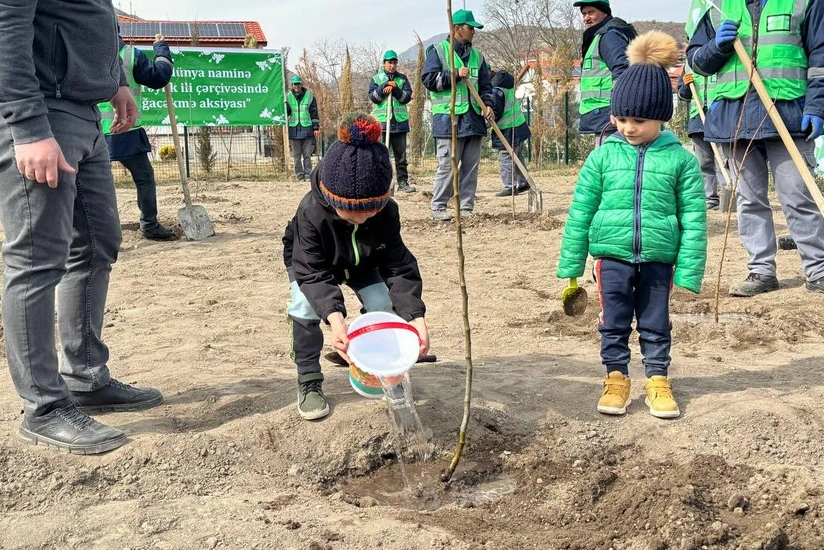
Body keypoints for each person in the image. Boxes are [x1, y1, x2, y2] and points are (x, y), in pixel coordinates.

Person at [0, 0, 164, 454]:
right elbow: (6, 23)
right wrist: (28, 126)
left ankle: (86, 377)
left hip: (84, 114)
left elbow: (97, 20)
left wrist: (119, 84)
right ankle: (44, 408)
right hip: (42, 115)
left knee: (97, 244)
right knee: (35, 259)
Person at [557, 32, 707, 419]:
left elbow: (694, 217)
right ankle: (617, 376)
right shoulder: (602, 159)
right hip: (611, 256)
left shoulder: (682, 161)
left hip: (659, 257)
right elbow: (580, 212)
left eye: (638, 120)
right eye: (620, 118)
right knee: (614, 320)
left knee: (656, 321)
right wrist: (572, 263)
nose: (628, 127)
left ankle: (657, 379)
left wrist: (689, 268)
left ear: (661, 116)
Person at [282, 112, 430, 420]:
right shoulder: (311, 213)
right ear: (330, 196)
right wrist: (336, 321)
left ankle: (371, 362)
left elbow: (398, 265)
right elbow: (312, 274)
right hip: (314, 266)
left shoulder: (387, 212)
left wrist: (415, 318)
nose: (362, 219)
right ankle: (308, 379)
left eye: (370, 212)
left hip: (363, 262)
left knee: (382, 301)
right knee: (305, 307)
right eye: (351, 213)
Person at [687, 0, 824, 296]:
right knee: (749, 199)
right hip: (734, 119)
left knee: (798, 195)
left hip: (789, 115)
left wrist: (817, 105)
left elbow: (820, 55)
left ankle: (819, 269)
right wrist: (715, 46)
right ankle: (761, 271)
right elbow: (695, 62)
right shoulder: (717, 7)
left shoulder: (804, 2)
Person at [421, 9, 495, 221]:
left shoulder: (478, 57)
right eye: (470, 28)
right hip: (448, 119)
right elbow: (427, 81)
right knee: (448, 165)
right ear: (456, 29)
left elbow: (486, 87)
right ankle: (438, 207)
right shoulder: (438, 51)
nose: (474, 32)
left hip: (474, 120)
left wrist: (488, 105)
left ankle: (466, 208)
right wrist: (453, 75)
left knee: (471, 166)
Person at [102, 33, 175, 240]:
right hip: (126, 130)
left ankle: (100, 230)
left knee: (94, 184)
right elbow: (160, 76)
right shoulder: (129, 55)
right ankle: (149, 225)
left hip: (91, 132)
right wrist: (161, 48)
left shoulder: (83, 52)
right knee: (144, 178)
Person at [574, 0, 637, 144]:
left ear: (605, 12)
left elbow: (622, 69)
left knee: (608, 163)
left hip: (610, 116)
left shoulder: (609, 37)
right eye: (584, 13)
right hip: (603, 115)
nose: (586, 17)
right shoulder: (598, 36)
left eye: (591, 12)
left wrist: (617, 108)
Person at [369, 50, 416, 193]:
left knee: (401, 157)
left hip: (400, 124)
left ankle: (403, 182)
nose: (392, 65)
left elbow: (406, 98)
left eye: (394, 62)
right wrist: (384, 86)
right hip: (382, 125)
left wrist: (395, 89)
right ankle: (381, 184)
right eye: (389, 62)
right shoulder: (376, 79)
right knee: (381, 156)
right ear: (384, 63)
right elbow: (374, 98)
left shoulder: (402, 79)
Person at [677, 67, 724, 210]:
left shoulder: (719, 57)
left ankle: (732, 194)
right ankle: (711, 197)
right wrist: (685, 86)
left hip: (719, 117)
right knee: (704, 162)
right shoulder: (688, 65)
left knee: (724, 161)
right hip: (697, 119)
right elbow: (683, 96)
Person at [489, 69, 531, 197]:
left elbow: (496, 112)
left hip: (508, 129)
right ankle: (523, 182)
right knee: (517, 156)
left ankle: (509, 186)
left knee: (505, 157)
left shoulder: (497, 92)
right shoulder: (506, 88)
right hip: (519, 126)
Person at [286, 75, 320, 181]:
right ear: (292, 85)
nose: (296, 86)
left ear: (301, 84)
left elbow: (314, 113)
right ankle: (299, 175)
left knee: (307, 154)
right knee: (296, 155)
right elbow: (286, 112)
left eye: (298, 84)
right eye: (294, 84)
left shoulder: (309, 96)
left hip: (307, 129)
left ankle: (308, 174)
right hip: (293, 129)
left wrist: (316, 128)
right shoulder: (288, 97)